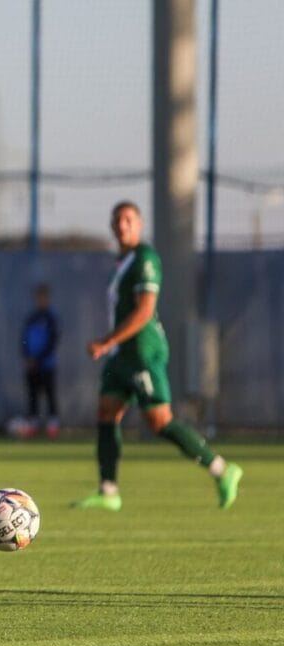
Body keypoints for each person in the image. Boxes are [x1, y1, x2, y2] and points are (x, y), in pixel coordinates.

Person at [73, 201, 243, 511]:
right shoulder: (122, 262)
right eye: (117, 220)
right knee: (107, 412)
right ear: (112, 227)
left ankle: (221, 469)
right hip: (121, 355)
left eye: (128, 220)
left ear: (139, 225)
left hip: (141, 352)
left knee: (159, 421)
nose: (122, 225)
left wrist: (107, 341)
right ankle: (108, 491)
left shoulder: (145, 259)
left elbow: (145, 310)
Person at [20, 284, 59, 438]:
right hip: (31, 365)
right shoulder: (32, 318)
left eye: (43, 297)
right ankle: (33, 425)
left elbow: (53, 341)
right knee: (32, 396)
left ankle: (53, 426)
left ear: (47, 299)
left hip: (46, 364)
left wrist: (39, 359)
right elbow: (24, 340)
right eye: (38, 297)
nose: (40, 300)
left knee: (50, 395)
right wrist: (28, 358)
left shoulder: (51, 318)